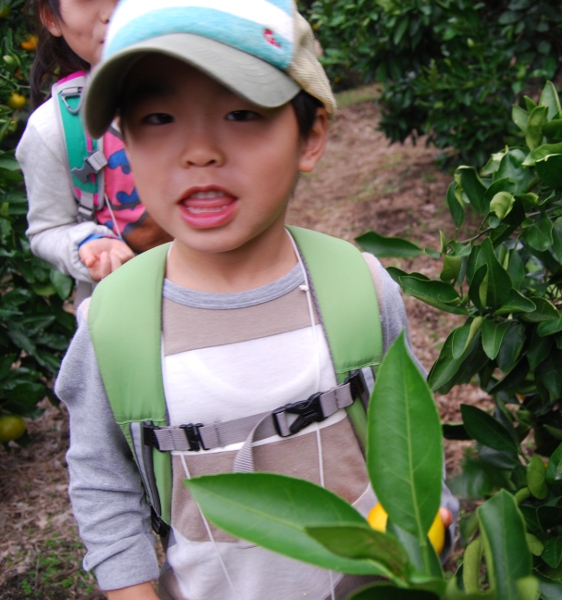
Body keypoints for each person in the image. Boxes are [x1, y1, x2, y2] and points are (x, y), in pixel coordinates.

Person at [55, 1, 457, 599]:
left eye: (241, 112)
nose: (199, 151)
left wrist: (433, 526)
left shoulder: (359, 288)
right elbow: (102, 482)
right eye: (158, 118)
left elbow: (409, 436)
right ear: (126, 144)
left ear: (310, 136)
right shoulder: (114, 324)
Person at [17, 0, 170, 305]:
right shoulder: (54, 128)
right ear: (51, 18)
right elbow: (48, 229)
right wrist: (88, 243)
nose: (111, 12)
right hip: (128, 310)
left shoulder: (223, 95)